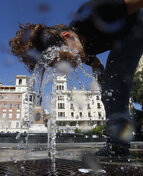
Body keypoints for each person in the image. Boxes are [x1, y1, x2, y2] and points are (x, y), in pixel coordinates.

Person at [9, 0, 143, 156]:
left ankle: (117, 147)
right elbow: (96, 64)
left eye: (65, 59)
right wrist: (103, 83)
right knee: (112, 89)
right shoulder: (81, 48)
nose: (69, 67)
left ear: (67, 37)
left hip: (137, 23)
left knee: (115, 86)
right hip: (125, 38)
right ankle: (117, 145)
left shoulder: (94, 13)